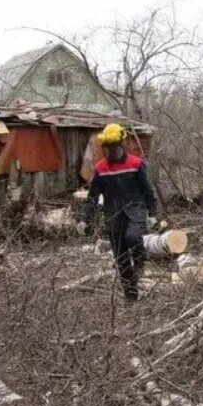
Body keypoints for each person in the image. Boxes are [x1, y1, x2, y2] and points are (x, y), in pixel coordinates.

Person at [77, 123, 157, 301]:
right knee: (121, 260)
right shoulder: (100, 168)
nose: (111, 152)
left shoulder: (136, 164)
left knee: (133, 237)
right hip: (113, 216)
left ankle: (140, 260)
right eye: (108, 148)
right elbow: (92, 196)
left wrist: (152, 213)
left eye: (114, 148)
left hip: (135, 212)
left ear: (121, 145)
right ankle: (131, 296)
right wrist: (84, 219)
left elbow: (148, 191)